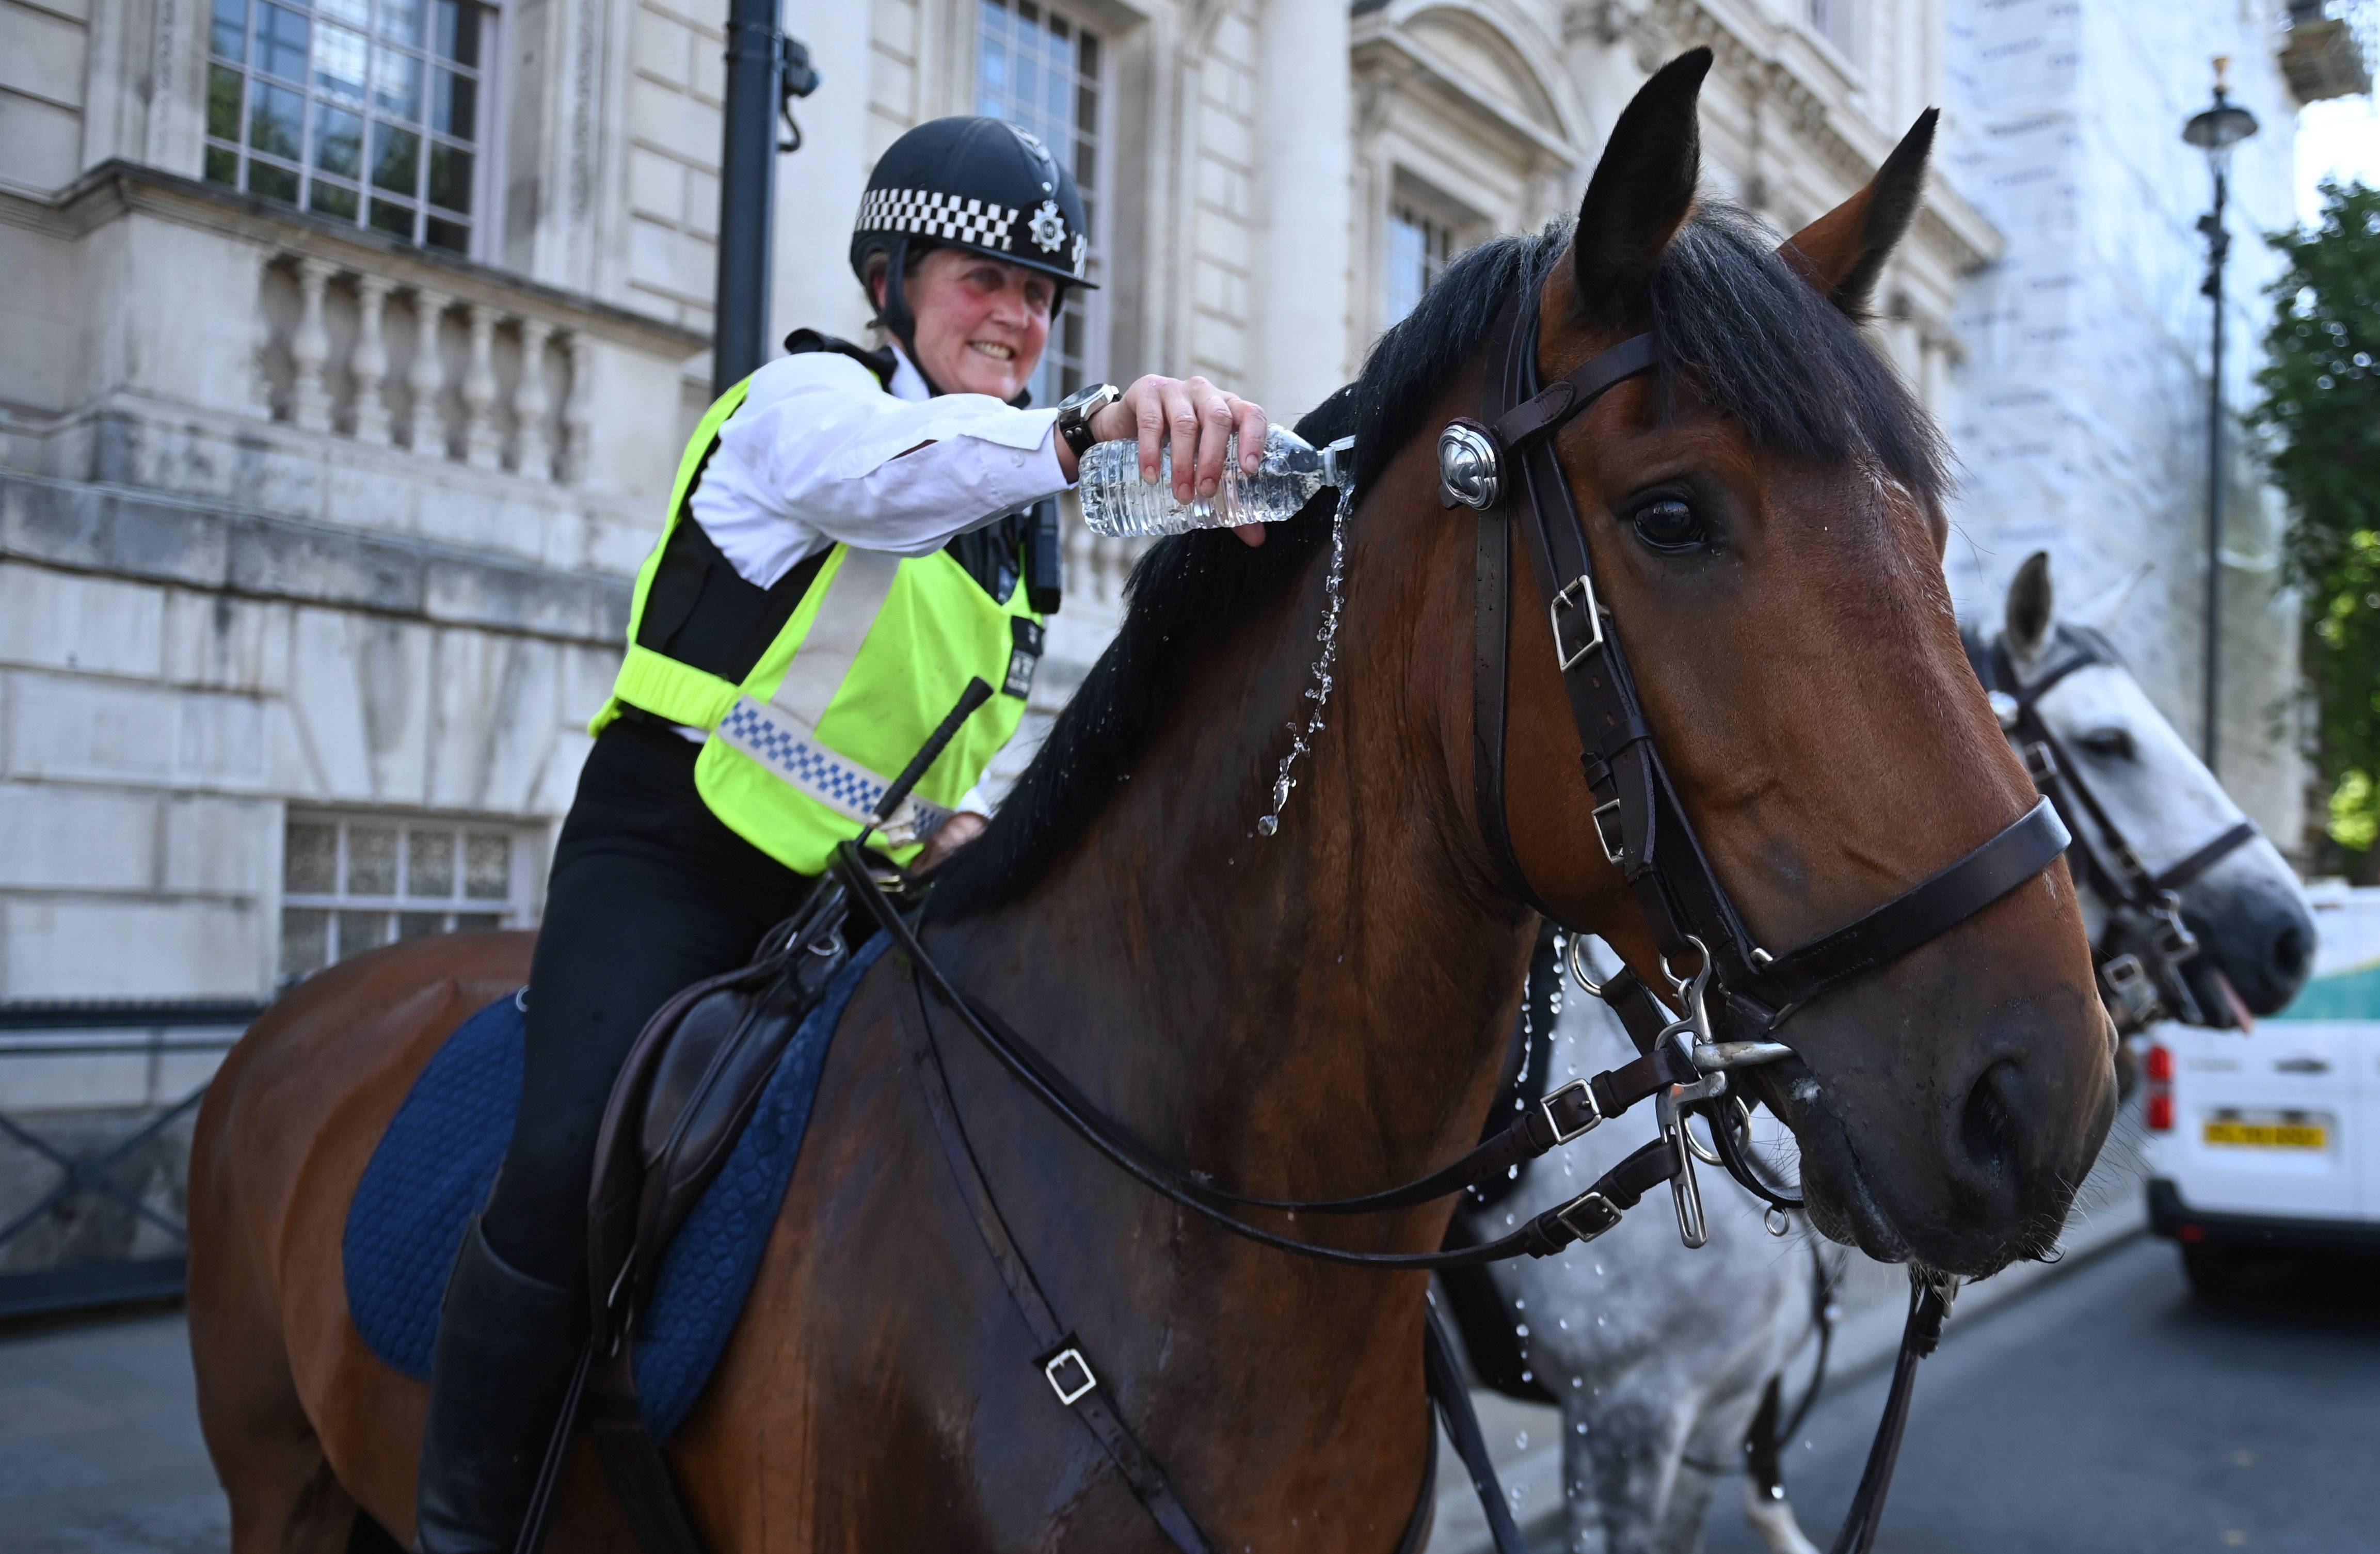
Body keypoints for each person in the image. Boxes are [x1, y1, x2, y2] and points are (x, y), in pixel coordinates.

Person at [413, 115, 1274, 1552]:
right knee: (570, 1165)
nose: (1018, 318)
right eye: (979, 280)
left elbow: (963, 719)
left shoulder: (1022, 524)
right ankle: (468, 1528)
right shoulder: (804, 408)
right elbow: (907, 471)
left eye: (1043, 298)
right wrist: (1094, 420)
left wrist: (1281, 484)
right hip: (674, 857)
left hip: (856, 905)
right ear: (889, 280)